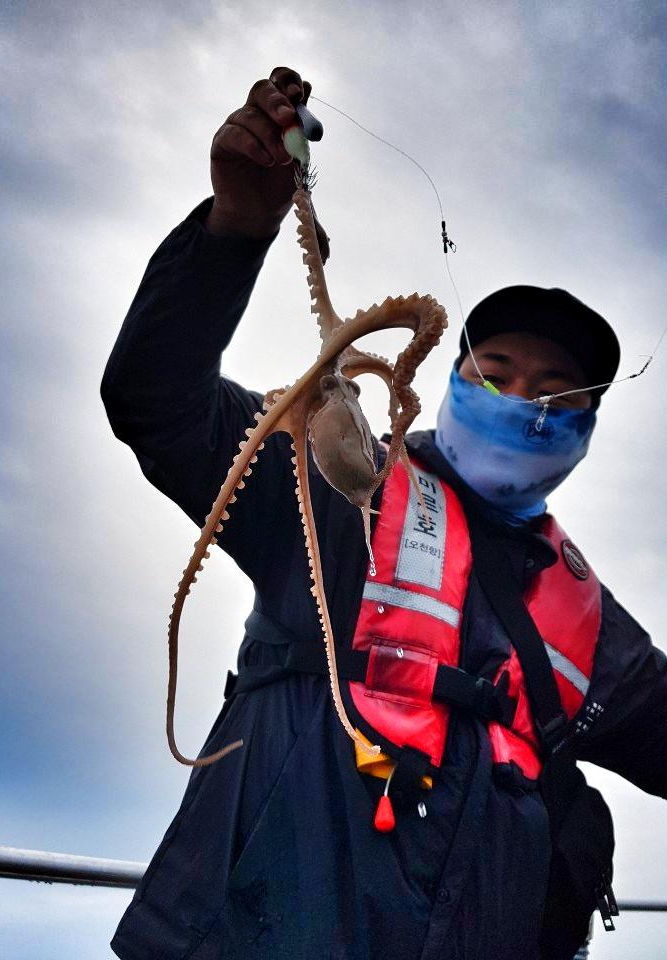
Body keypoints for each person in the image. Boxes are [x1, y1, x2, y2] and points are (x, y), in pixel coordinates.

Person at [101, 67, 667, 960]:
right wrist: (235, 232)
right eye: (497, 372)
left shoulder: (597, 632)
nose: (526, 402)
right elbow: (154, 401)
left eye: (559, 393)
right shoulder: (334, 493)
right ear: (449, 381)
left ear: (587, 429)